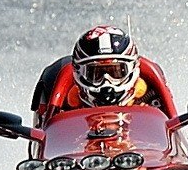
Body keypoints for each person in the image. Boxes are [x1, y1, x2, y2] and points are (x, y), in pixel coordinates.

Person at [33, 27, 176, 121]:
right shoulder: (67, 101)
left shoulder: (149, 94)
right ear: (79, 73)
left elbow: (174, 126)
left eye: (116, 72)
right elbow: (46, 135)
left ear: (132, 69)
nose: (106, 82)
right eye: (96, 74)